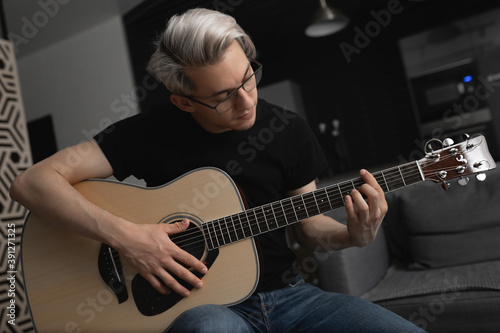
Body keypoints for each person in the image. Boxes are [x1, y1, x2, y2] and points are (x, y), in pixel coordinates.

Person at [10, 8, 425, 333]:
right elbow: (31, 182)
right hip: (201, 304)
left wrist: (352, 236)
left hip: (291, 297)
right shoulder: (147, 132)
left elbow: (307, 225)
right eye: (223, 96)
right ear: (183, 101)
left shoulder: (288, 129)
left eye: (249, 78)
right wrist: (129, 238)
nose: (246, 102)